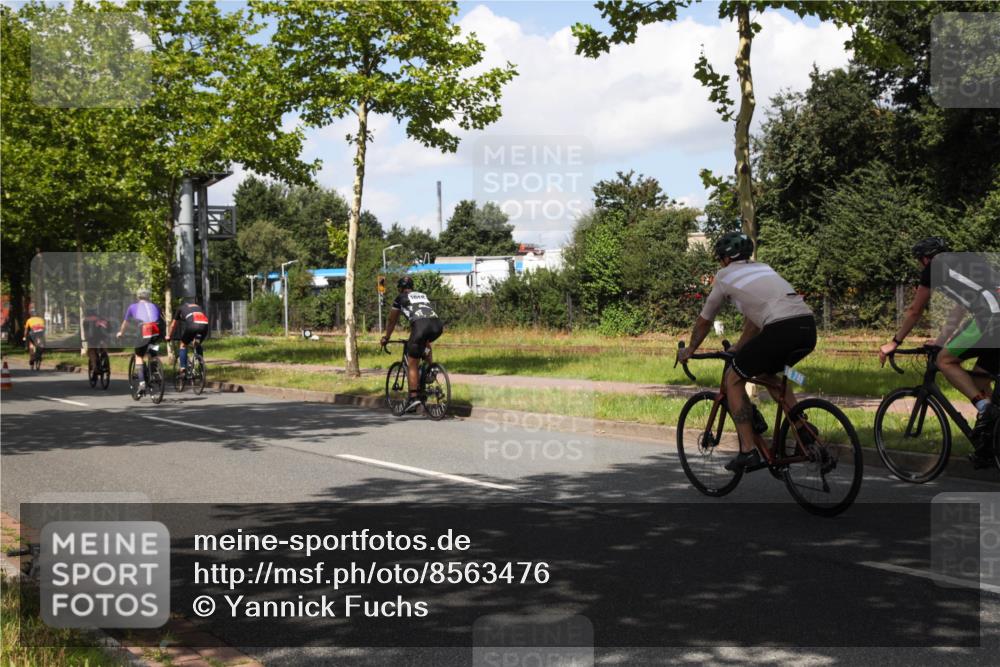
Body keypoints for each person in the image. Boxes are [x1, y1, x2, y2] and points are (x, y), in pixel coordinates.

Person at [677, 231, 818, 472]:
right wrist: (740, 347)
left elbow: (705, 320)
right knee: (768, 374)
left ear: (725, 259)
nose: (720, 263)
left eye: (720, 258)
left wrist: (690, 349)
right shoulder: (764, 268)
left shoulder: (724, 276)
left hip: (780, 329)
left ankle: (747, 451)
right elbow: (755, 321)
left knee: (732, 378)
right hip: (807, 326)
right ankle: (803, 430)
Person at [879, 238, 1000, 468]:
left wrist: (894, 342)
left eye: (920, 262)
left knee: (945, 360)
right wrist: (942, 340)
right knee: (980, 380)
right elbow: (960, 309)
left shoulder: (933, 268)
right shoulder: (965, 262)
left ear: (926, 258)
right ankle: (990, 446)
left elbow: (915, 310)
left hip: (991, 317)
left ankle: (986, 410)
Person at [380, 276, 444, 414]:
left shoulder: (400, 298)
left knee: (412, 363)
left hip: (420, 326)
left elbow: (392, 320)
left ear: (400, 288)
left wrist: (386, 337)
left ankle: (414, 397)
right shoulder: (422, 295)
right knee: (425, 342)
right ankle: (430, 369)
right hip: (437, 326)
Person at [116, 288, 163, 395]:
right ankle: (155, 371)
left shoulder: (132, 307)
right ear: (149, 297)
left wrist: (121, 333)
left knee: (139, 356)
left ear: (138, 297)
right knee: (152, 352)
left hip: (144, 330)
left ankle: (142, 383)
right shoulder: (155, 306)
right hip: (156, 330)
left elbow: (126, 323)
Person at [166, 297, 209, 377]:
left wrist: (169, 336)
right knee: (197, 344)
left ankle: (183, 370)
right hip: (205, 325)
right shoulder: (197, 307)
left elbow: (173, 325)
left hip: (193, 326)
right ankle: (201, 367)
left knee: (183, 344)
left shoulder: (180, 308)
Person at [82, 308, 111, 378]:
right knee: (104, 349)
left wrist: (85, 343)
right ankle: (106, 361)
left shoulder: (86, 321)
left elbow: (86, 334)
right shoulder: (103, 319)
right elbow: (109, 329)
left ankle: (95, 367)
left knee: (91, 351)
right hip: (104, 338)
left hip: (93, 339)